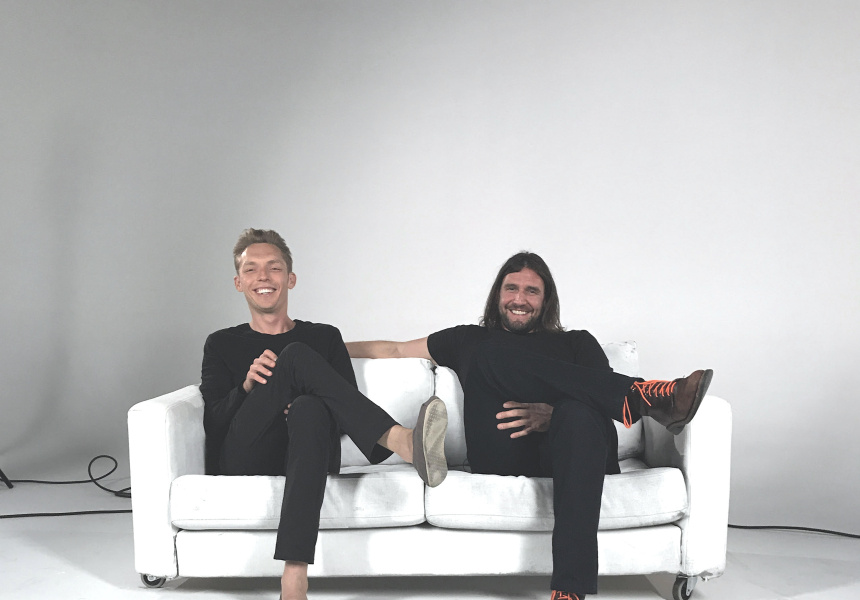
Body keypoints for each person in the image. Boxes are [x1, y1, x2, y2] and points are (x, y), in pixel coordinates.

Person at [346, 251, 713, 600]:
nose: (519, 299)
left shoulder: (577, 343)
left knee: (576, 414)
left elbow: (600, 411)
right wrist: (327, 348)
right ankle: (643, 397)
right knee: (488, 351)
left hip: (577, 453)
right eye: (511, 288)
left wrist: (553, 415)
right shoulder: (469, 339)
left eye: (531, 291)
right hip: (502, 454)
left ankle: (569, 590)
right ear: (498, 294)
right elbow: (394, 350)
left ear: (546, 299)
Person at [200, 228, 448, 600]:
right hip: (246, 453)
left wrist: (299, 399)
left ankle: (294, 576)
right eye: (251, 269)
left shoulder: (325, 337)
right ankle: (399, 439)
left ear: (290, 278)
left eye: (274, 267)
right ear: (239, 283)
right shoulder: (222, 342)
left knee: (310, 406)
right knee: (294, 356)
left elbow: (346, 412)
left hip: (310, 448)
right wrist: (248, 388)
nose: (263, 276)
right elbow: (214, 421)